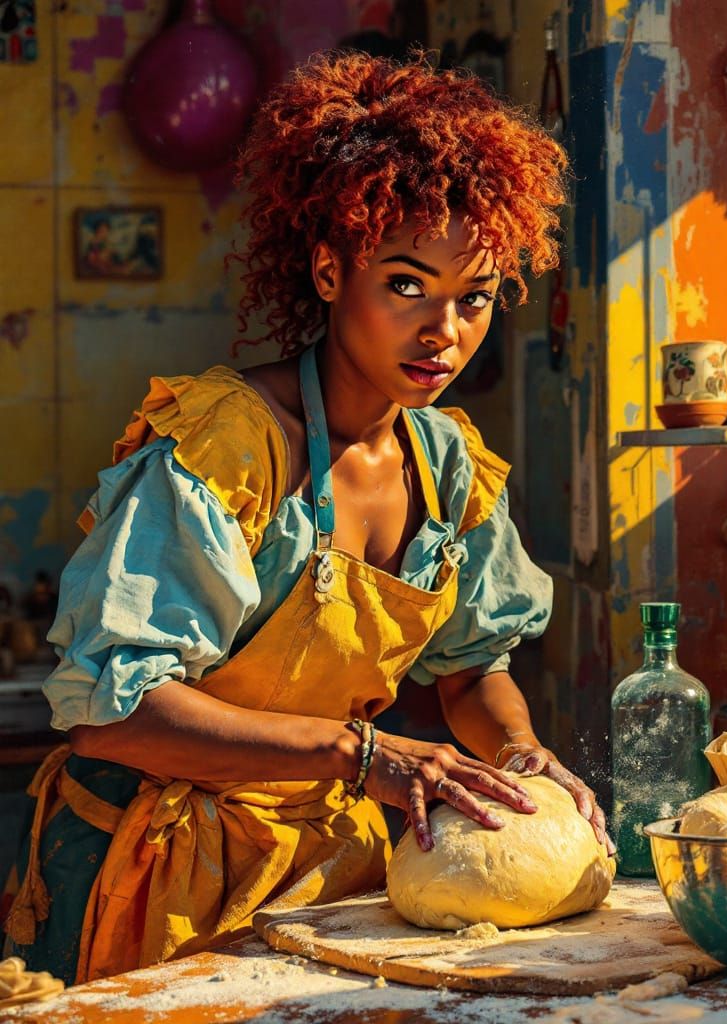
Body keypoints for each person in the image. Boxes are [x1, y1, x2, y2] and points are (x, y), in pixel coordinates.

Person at [3, 50, 612, 987]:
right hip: (152, 870)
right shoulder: (229, 448)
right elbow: (114, 714)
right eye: (406, 284)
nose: (444, 332)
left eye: (475, 297)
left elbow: (471, 672)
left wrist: (521, 754)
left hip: (326, 870)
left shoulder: (448, 466)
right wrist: (361, 753)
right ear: (330, 271)